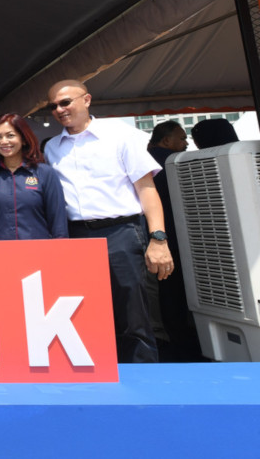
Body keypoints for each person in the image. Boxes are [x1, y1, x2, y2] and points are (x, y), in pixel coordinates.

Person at [44, 79, 173, 363]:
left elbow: (146, 189)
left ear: (87, 99)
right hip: (75, 236)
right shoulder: (51, 148)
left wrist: (158, 238)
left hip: (121, 232)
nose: (59, 110)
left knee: (133, 314)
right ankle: (99, 379)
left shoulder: (120, 135)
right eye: (53, 106)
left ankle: (142, 379)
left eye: (65, 102)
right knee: (85, 313)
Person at [147, 120, 201, 361]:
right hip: (170, 237)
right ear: (166, 140)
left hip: (158, 236)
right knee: (172, 289)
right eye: (182, 138)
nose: (186, 142)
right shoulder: (172, 162)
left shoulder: (148, 159)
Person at [0, 113, 68, 240]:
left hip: (38, 249)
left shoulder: (45, 173)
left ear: (23, 139)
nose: (4, 141)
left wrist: (61, 246)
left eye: (10, 135)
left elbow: (58, 220)